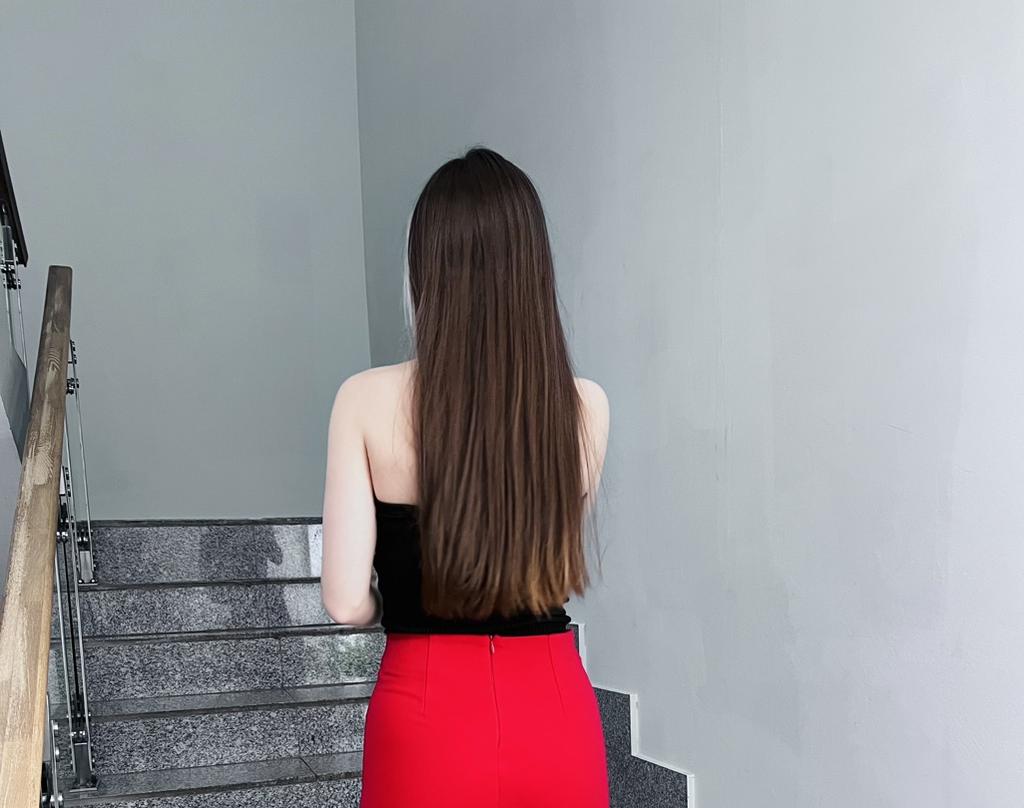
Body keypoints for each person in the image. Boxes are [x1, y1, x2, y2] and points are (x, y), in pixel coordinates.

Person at [321, 146, 611, 807]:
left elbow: (344, 601)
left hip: (423, 708)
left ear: (425, 267)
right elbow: (542, 559)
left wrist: (391, 604)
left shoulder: (363, 400)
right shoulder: (586, 407)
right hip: (554, 707)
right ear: (533, 267)